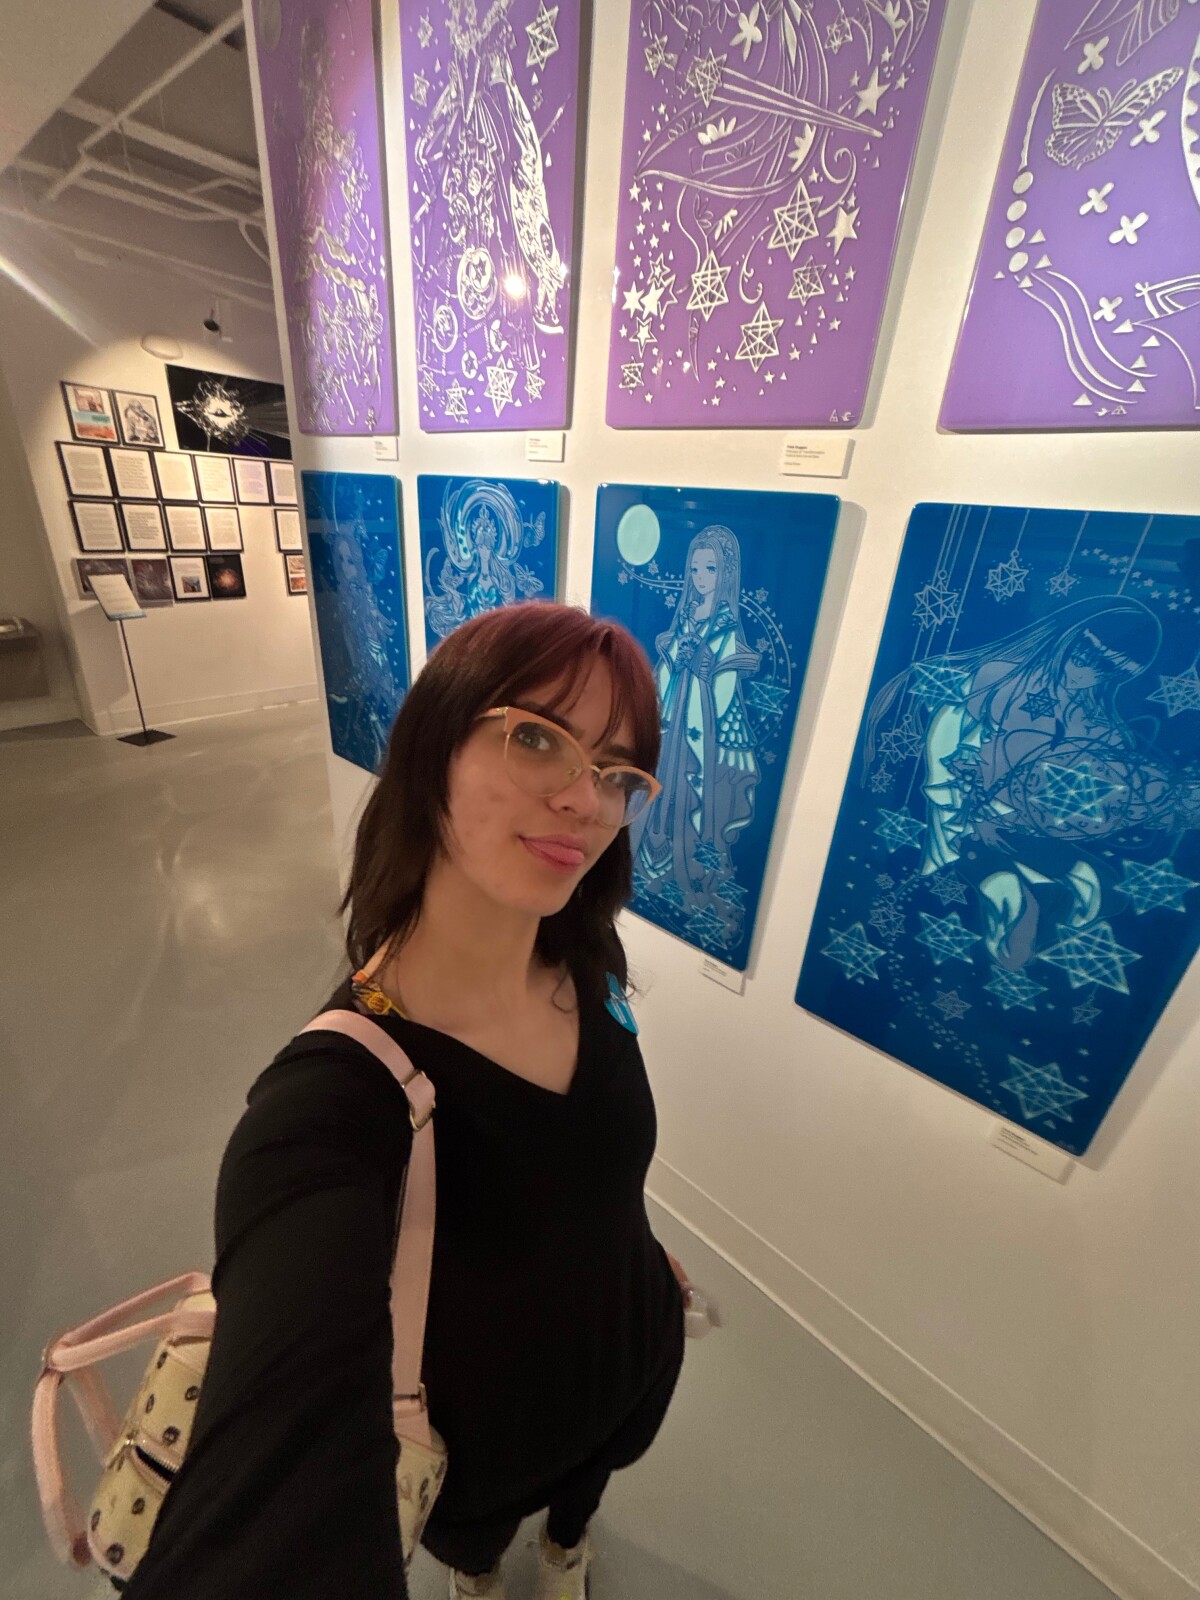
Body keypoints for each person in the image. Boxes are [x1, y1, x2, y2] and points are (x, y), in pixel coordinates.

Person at [122, 602, 691, 1600]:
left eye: (616, 774)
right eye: (536, 738)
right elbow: (275, 1476)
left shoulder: (585, 956)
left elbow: (593, 1167)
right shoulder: (335, 1099)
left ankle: (567, 1547)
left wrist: (633, 1256)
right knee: (482, 1544)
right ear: (433, 747)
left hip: (632, 1355)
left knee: (582, 1497)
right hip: (484, 1440)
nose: (584, 801)